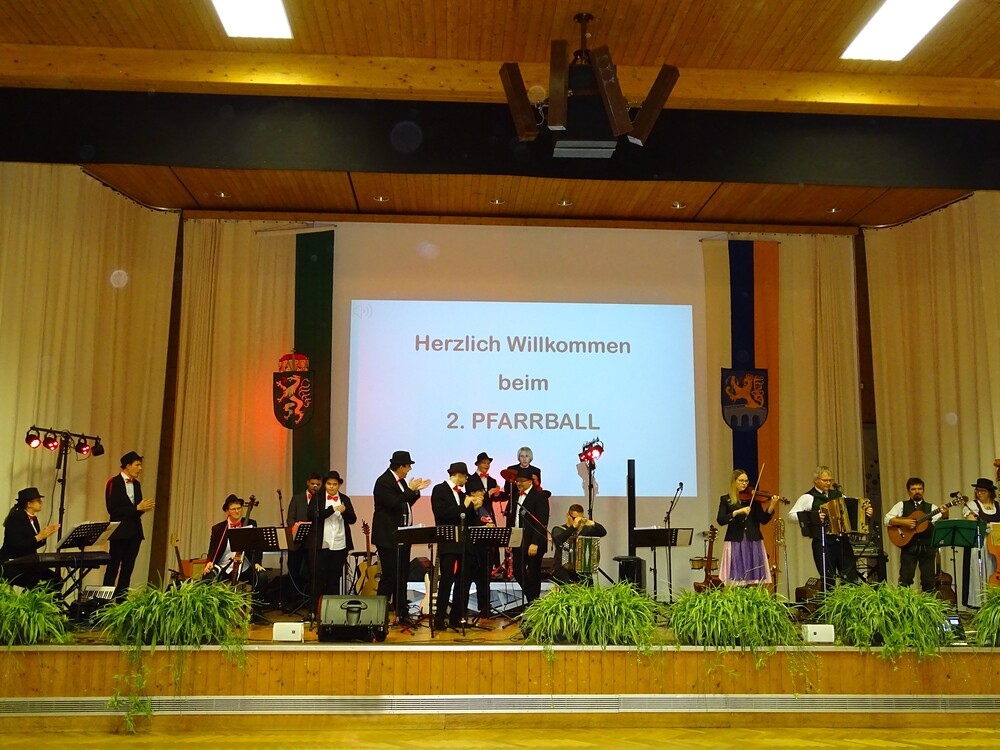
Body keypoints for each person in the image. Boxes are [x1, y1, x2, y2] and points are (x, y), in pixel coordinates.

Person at [787, 465, 871, 590]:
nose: (828, 483)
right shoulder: (809, 497)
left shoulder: (838, 495)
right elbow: (791, 516)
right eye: (825, 480)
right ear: (816, 480)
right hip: (823, 541)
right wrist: (814, 516)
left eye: (830, 480)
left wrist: (865, 513)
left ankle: (849, 601)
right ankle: (829, 601)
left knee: (850, 577)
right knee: (828, 578)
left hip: (842, 541)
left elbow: (852, 511)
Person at [372, 450, 430, 621]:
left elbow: (406, 501)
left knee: (402, 575)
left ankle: (401, 612)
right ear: (400, 466)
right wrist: (410, 490)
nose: (409, 469)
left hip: (403, 536)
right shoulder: (384, 482)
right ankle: (378, 615)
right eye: (408, 466)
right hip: (388, 537)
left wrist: (415, 491)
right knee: (390, 576)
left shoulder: (401, 481)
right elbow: (393, 503)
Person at [430, 462, 484, 630]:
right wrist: (464, 506)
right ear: (459, 475)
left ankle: (457, 617)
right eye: (465, 477)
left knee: (463, 582)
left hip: (463, 545)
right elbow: (443, 514)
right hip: (449, 544)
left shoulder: (461, 495)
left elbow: (465, 517)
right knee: (447, 580)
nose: (466, 480)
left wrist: (475, 509)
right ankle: (439, 619)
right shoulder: (440, 490)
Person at [203, 495, 269, 624]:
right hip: (224, 566)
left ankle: (256, 614)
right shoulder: (218, 528)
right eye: (233, 509)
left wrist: (257, 562)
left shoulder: (251, 523)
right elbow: (212, 549)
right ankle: (211, 616)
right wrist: (209, 562)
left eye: (239, 508)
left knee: (262, 576)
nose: (237, 511)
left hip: (243, 566)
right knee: (208, 578)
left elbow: (257, 546)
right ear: (227, 511)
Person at [103, 451, 155, 599]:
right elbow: (113, 509)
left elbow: (136, 509)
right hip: (119, 532)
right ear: (127, 465)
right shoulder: (113, 482)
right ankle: (104, 601)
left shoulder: (136, 484)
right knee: (113, 567)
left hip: (134, 532)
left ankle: (122, 600)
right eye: (137, 465)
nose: (140, 468)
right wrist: (136, 508)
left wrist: (142, 508)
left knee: (128, 569)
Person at [884, 477, 949, 593]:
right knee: (905, 580)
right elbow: (887, 519)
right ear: (908, 491)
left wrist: (945, 515)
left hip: (927, 547)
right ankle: (903, 603)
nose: (917, 491)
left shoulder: (932, 508)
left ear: (923, 490)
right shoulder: (901, 505)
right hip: (909, 546)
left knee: (928, 581)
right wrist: (904, 522)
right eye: (913, 489)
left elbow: (940, 526)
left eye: (919, 489)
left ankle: (928, 603)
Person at [306, 470, 357, 611]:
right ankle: (314, 611)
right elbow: (312, 515)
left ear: (339, 485)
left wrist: (344, 511)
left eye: (335, 484)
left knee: (334, 580)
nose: (332, 487)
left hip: (339, 544)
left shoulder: (345, 499)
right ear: (325, 484)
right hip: (321, 545)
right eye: (329, 484)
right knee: (317, 580)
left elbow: (353, 519)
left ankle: (332, 612)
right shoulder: (317, 498)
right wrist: (332, 509)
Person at [717, 470, 778, 586]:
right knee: (736, 578)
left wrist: (772, 506)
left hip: (753, 539)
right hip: (735, 540)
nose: (744, 484)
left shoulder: (753, 500)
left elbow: (763, 519)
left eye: (746, 481)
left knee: (753, 578)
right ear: (734, 481)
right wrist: (737, 512)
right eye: (741, 481)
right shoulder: (726, 499)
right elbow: (721, 520)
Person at [0, 487, 61, 590]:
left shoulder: (33, 519)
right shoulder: (16, 517)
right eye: (38, 500)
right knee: (36, 583)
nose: (41, 502)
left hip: (27, 562)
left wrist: (44, 536)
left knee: (56, 580)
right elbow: (16, 544)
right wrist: (38, 537)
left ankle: (33, 599)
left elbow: (32, 543)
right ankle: (30, 600)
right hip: (11, 564)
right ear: (29, 504)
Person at [506, 466, 550, 602]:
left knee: (533, 572)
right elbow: (512, 519)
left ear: (530, 481)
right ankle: (532, 599)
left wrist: (535, 543)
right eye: (518, 481)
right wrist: (509, 540)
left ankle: (534, 601)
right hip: (518, 540)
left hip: (533, 541)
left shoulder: (539, 496)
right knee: (517, 571)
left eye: (522, 481)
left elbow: (541, 521)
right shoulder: (516, 496)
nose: (519, 483)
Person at [961, 477, 999, 607]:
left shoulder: (997, 505)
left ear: (990, 492)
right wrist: (991, 526)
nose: (979, 493)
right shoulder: (972, 506)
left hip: (995, 545)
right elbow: (973, 523)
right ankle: (978, 604)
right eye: (978, 491)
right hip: (978, 544)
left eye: (983, 491)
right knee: (978, 572)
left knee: (994, 570)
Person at [286, 472, 322, 601]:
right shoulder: (297, 498)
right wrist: (296, 526)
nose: (315, 486)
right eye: (312, 483)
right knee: (293, 570)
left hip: (314, 542)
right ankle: (291, 601)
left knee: (314, 572)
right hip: (298, 541)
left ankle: (312, 601)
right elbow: (290, 518)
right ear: (308, 483)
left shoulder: (321, 499)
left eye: (318, 484)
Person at [550, 503, 606, 585]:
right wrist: (573, 527)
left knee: (587, 581)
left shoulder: (585, 530)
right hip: (562, 568)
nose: (578, 522)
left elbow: (603, 532)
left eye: (581, 519)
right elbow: (559, 540)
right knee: (567, 581)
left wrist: (593, 523)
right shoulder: (558, 529)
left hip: (581, 569)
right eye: (575, 519)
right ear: (568, 515)